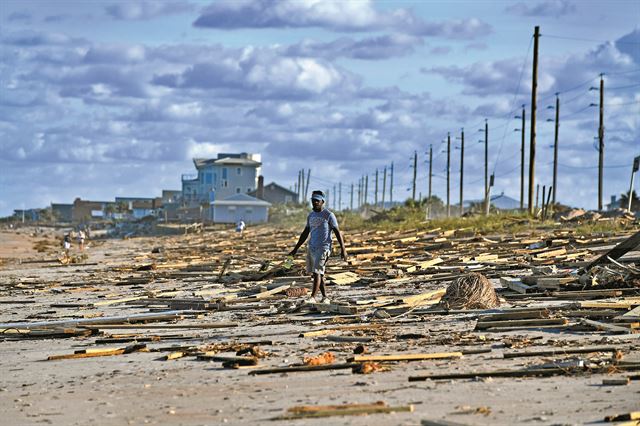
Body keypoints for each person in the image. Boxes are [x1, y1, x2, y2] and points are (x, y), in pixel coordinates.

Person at [289, 190, 347, 304]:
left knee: (317, 272)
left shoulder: (329, 215)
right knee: (319, 273)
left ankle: (313, 297)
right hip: (312, 247)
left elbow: (337, 232)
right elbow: (305, 233)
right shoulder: (311, 216)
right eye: (313, 200)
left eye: (317, 200)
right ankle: (325, 297)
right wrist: (295, 249)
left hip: (324, 247)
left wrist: (343, 249)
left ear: (322, 201)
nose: (315, 202)